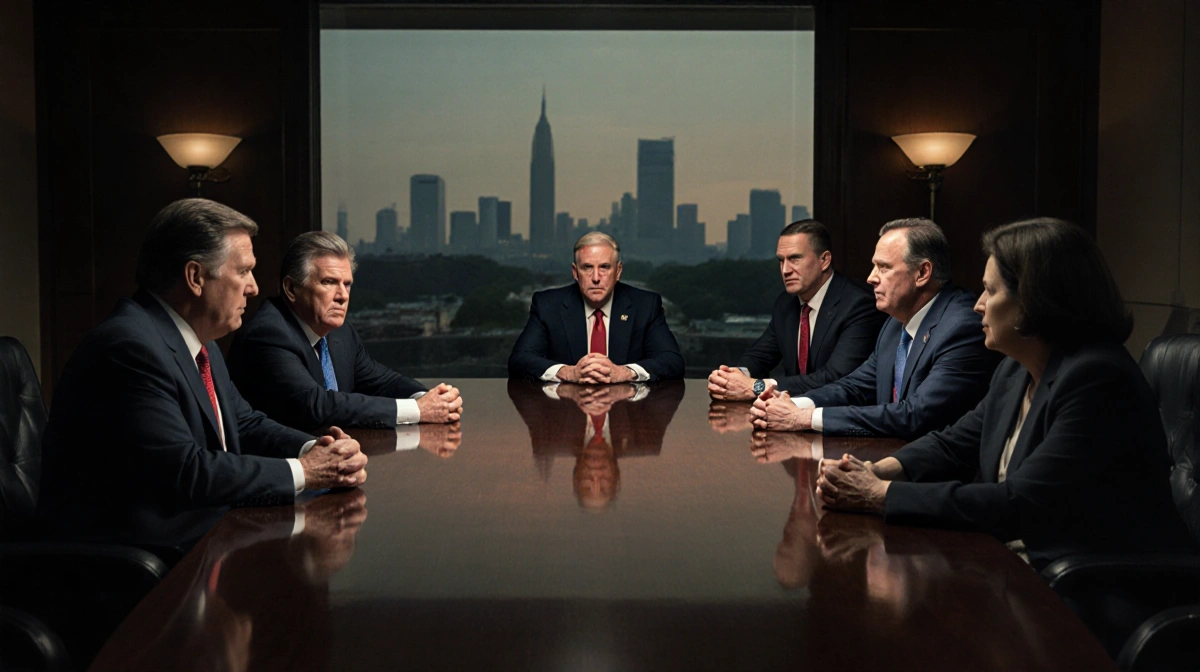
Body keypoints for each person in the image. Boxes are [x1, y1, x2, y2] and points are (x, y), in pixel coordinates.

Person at [814, 217, 1191, 569]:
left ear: (1036, 299)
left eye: (991, 290)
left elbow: (1019, 502)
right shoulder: (1016, 367)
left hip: (1091, 586)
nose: (977, 303)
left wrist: (878, 494)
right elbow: (953, 442)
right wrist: (874, 470)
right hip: (1016, 564)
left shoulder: (1097, 378)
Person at [37, 199, 367, 545]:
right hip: (138, 565)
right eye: (243, 271)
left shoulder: (199, 343)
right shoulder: (129, 348)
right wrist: (306, 471)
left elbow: (245, 422)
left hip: (206, 534)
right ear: (195, 277)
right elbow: (186, 471)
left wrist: (317, 448)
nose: (253, 287)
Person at [751, 218, 998, 439]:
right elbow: (855, 387)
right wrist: (793, 404)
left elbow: (915, 415)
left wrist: (804, 418)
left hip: (940, 478)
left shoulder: (961, 328)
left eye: (884, 267)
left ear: (922, 273)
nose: (871, 277)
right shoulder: (894, 323)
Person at [228, 231, 462, 442]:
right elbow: (317, 406)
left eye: (347, 284)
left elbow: (382, 381)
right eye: (329, 282)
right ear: (291, 289)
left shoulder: (340, 332)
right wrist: (419, 410)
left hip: (336, 460)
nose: (342, 296)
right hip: (281, 474)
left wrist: (431, 398)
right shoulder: (268, 335)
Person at [708, 219, 884, 400]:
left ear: (824, 260)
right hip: (787, 415)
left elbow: (835, 377)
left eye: (795, 259)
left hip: (838, 418)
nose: (785, 270)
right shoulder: (786, 303)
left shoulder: (859, 305)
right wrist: (733, 376)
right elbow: (760, 357)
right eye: (781, 261)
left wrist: (757, 386)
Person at [508, 232, 684, 383]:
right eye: (587, 268)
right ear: (575, 272)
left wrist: (624, 373)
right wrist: (568, 372)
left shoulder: (646, 305)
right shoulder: (547, 305)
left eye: (605, 267)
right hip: (565, 413)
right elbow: (520, 360)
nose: (596, 278)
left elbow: (672, 361)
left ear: (618, 271)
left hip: (628, 414)